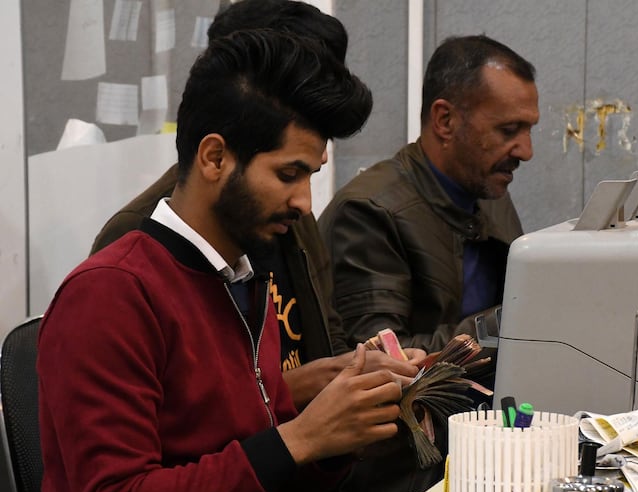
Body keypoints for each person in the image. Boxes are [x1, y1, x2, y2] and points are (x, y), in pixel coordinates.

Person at [38, 30, 403, 492]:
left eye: (311, 175)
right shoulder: (111, 294)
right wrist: (299, 439)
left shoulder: (243, 277)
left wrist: (339, 438)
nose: (305, 202)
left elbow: (261, 486)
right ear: (214, 158)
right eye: (288, 174)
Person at [90, 0, 423, 411]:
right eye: (288, 173)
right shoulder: (131, 255)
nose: (304, 200)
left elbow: (325, 335)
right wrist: (295, 409)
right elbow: (181, 429)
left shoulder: (288, 218)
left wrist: (358, 369)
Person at [318, 34, 539, 492]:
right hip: (396, 481)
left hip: (476, 452)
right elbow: (382, 369)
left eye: (528, 130)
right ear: (445, 120)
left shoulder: (486, 190)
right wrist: (521, 322)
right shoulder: (371, 212)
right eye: (508, 130)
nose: (525, 150)